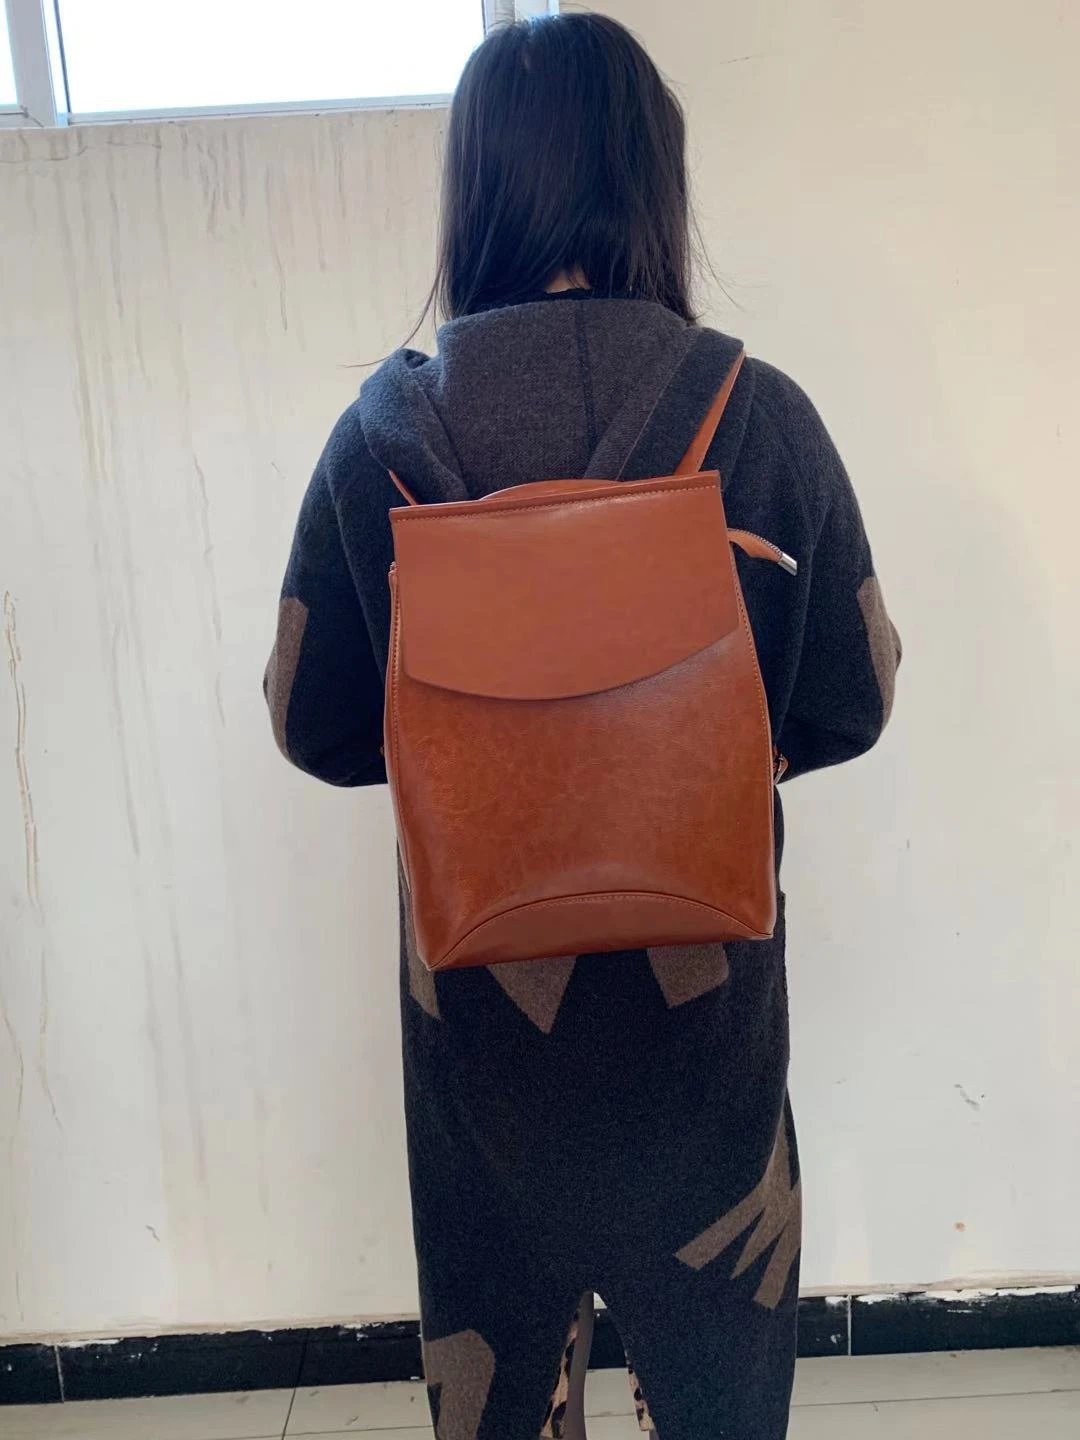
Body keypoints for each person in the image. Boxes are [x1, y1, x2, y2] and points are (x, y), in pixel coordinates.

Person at [265, 13, 900, 1440]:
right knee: (721, 1393)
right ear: (652, 186)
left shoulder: (377, 445)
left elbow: (311, 723)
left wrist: (475, 751)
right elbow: (853, 697)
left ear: (475, 189)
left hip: (480, 1049)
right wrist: (697, 746)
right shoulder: (759, 418)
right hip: (704, 1041)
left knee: (495, 1387)